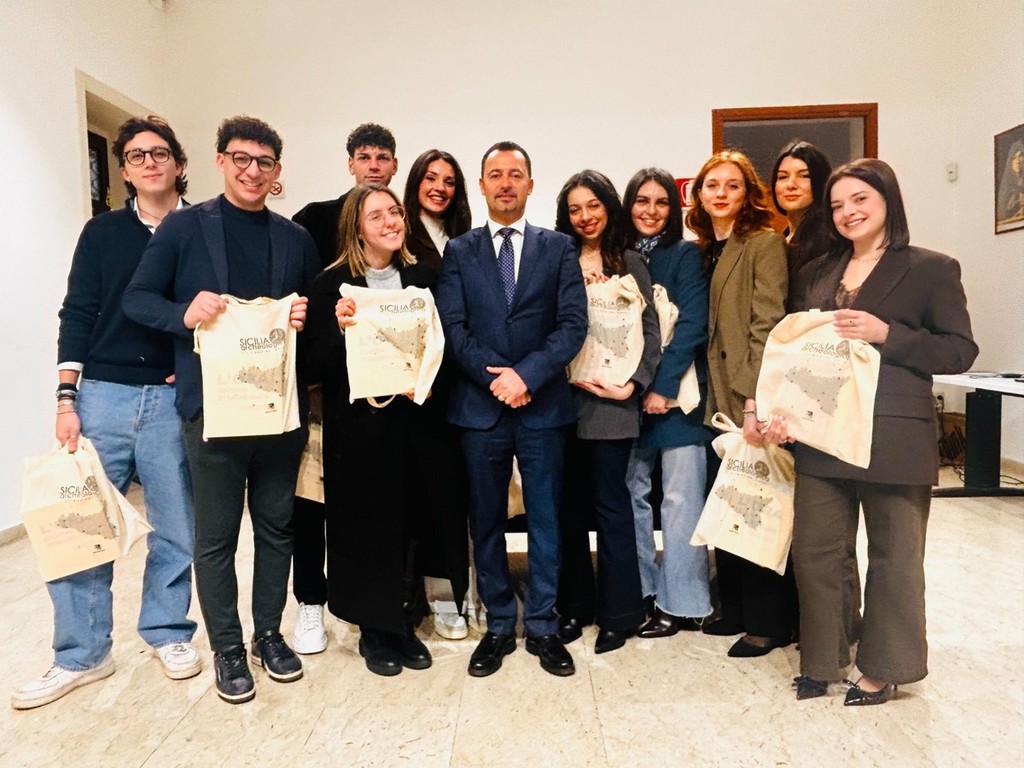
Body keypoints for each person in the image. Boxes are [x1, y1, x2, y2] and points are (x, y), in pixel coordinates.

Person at [763, 158, 977, 704]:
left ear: (888, 201)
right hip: (823, 430)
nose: (847, 212)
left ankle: (884, 667)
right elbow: (800, 349)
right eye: (837, 204)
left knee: (895, 556)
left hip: (894, 431)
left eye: (860, 199)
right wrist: (783, 411)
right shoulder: (818, 271)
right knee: (817, 552)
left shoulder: (931, 268)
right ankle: (823, 658)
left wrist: (889, 334)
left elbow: (959, 351)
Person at [123, 115, 319, 704]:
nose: (252, 171)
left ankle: (268, 635)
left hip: (278, 410)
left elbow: (314, 320)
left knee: (277, 528)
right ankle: (228, 648)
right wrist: (183, 314)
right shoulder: (184, 228)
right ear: (219, 161)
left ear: (277, 170)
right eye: (241, 158)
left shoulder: (295, 238)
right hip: (212, 411)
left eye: (264, 162)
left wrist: (304, 316)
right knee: (215, 538)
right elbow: (138, 299)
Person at [12, 117, 199, 711]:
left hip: (171, 400)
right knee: (81, 530)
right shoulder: (101, 233)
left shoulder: (202, 229)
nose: (149, 162)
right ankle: (82, 654)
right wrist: (66, 398)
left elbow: (221, 309)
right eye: (137, 155)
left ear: (179, 164)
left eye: (160, 153)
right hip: (104, 395)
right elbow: (78, 312)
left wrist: (194, 365)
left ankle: (168, 632)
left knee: (177, 526)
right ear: (123, 170)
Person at [436, 141, 588, 677]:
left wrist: (526, 376)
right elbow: (453, 328)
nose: (505, 183)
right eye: (495, 174)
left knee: (546, 519)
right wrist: (497, 379)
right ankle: (499, 623)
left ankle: (543, 624)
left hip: (544, 406)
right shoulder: (459, 251)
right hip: (480, 410)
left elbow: (572, 324)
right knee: (486, 521)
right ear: (481, 185)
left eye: (515, 174)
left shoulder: (558, 248)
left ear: (530, 184)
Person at [303, 183, 443, 676]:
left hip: (413, 423)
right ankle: (373, 629)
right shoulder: (330, 285)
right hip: (358, 430)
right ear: (356, 229)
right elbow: (311, 365)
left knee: (408, 525)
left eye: (395, 212)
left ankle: (403, 622)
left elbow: (441, 346)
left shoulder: (424, 278)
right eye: (377, 216)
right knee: (363, 529)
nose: (390, 222)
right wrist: (338, 330)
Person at [288, 122, 398, 655]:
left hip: (386, 401)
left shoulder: (403, 238)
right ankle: (311, 600)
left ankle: (388, 606)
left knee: (373, 506)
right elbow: (300, 300)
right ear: (350, 162)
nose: (373, 165)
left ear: (393, 166)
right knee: (312, 502)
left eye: (383, 157)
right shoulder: (312, 220)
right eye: (365, 157)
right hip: (322, 393)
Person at [685, 150, 796, 657]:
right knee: (728, 503)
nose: (721, 193)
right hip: (717, 398)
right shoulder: (709, 249)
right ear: (699, 194)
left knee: (756, 508)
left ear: (748, 193)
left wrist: (754, 403)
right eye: (712, 185)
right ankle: (734, 609)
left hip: (748, 400)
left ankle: (768, 624)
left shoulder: (763, 243)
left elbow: (766, 326)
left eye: (732, 185)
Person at [552, 170, 660, 654]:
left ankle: (620, 613)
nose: (585, 217)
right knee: (568, 509)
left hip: (612, 404)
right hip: (561, 402)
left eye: (593, 206)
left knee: (612, 506)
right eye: (575, 209)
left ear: (609, 207)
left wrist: (633, 386)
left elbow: (651, 330)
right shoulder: (557, 258)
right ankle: (574, 607)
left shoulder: (629, 261)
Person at [622, 168, 717, 640]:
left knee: (681, 503)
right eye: (642, 201)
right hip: (624, 398)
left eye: (662, 202)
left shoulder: (685, 255)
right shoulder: (616, 255)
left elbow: (693, 325)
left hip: (678, 398)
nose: (651, 210)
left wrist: (660, 387)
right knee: (632, 498)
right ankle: (640, 592)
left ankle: (682, 601)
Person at [771, 140, 833, 288]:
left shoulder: (828, 238)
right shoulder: (780, 239)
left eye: (804, 176)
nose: (791, 185)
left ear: (821, 182)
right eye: (782, 177)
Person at [402, 148, 472, 271]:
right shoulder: (402, 236)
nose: (440, 188)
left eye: (449, 182)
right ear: (416, 182)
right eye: (430, 178)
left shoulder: (465, 238)